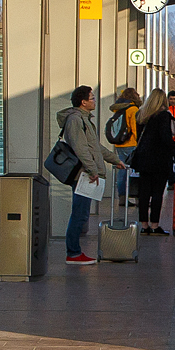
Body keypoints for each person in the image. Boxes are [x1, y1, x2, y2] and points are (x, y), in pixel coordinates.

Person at [57, 85, 127, 265]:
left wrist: (114, 160)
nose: (95, 101)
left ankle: (74, 251)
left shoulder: (84, 119)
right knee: (79, 213)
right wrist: (92, 170)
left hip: (86, 172)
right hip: (83, 174)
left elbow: (95, 147)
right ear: (83, 102)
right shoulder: (75, 120)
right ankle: (73, 253)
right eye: (92, 98)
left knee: (81, 213)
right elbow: (80, 148)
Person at [131, 89, 175, 235]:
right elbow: (165, 138)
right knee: (157, 192)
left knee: (144, 193)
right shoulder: (164, 115)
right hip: (159, 159)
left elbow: (139, 137)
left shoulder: (141, 115)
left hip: (143, 158)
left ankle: (144, 226)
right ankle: (154, 225)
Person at [107, 87, 141, 198]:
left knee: (122, 169)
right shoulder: (133, 109)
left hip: (119, 143)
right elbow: (135, 128)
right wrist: (139, 142)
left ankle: (122, 196)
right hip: (131, 143)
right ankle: (136, 195)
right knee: (136, 170)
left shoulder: (118, 109)